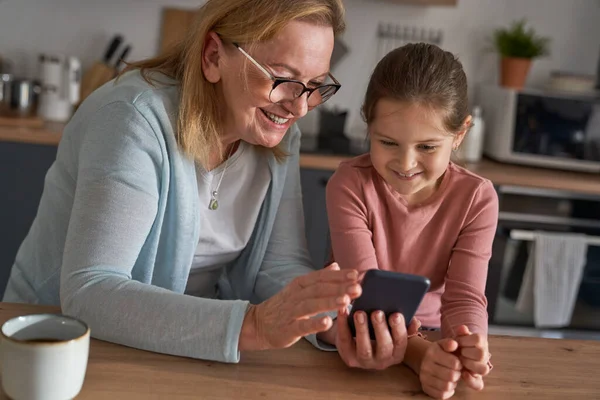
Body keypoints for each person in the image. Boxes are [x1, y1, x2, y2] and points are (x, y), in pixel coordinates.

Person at [3, 0, 363, 363]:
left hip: (175, 349)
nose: (299, 107)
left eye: (315, 86)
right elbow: (91, 290)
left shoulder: (279, 134)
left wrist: (331, 323)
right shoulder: (133, 121)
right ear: (213, 56)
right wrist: (253, 325)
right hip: (53, 348)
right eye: (282, 78)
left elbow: (279, 266)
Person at [321, 43, 498, 399]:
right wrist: (421, 356)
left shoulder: (477, 198)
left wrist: (466, 346)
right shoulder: (350, 184)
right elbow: (368, 298)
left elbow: (464, 298)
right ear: (368, 127)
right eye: (387, 142)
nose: (405, 163)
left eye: (428, 147)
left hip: (434, 332)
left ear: (460, 134)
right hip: (356, 328)